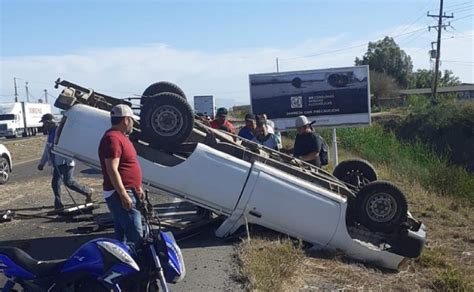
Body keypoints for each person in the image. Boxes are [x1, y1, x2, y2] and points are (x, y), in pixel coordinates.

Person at [98, 104, 144, 245]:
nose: (132, 124)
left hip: (129, 191)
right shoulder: (112, 139)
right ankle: (140, 264)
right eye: (131, 120)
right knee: (136, 236)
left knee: (121, 234)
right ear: (125, 120)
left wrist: (138, 187)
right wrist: (123, 194)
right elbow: (112, 169)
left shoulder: (120, 137)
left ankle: (120, 264)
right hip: (120, 194)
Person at [38, 113, 94, 210]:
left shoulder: (61, 131)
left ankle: (87, 191)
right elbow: (48, 149)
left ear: (49, 122)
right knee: (55, 183)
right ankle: (58, 204)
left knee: (69, 182)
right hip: (57, 163)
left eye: (44, 123)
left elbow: (68, 146)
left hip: (66, 161)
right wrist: (42, 163)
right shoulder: (50, 133)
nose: (44, 125)